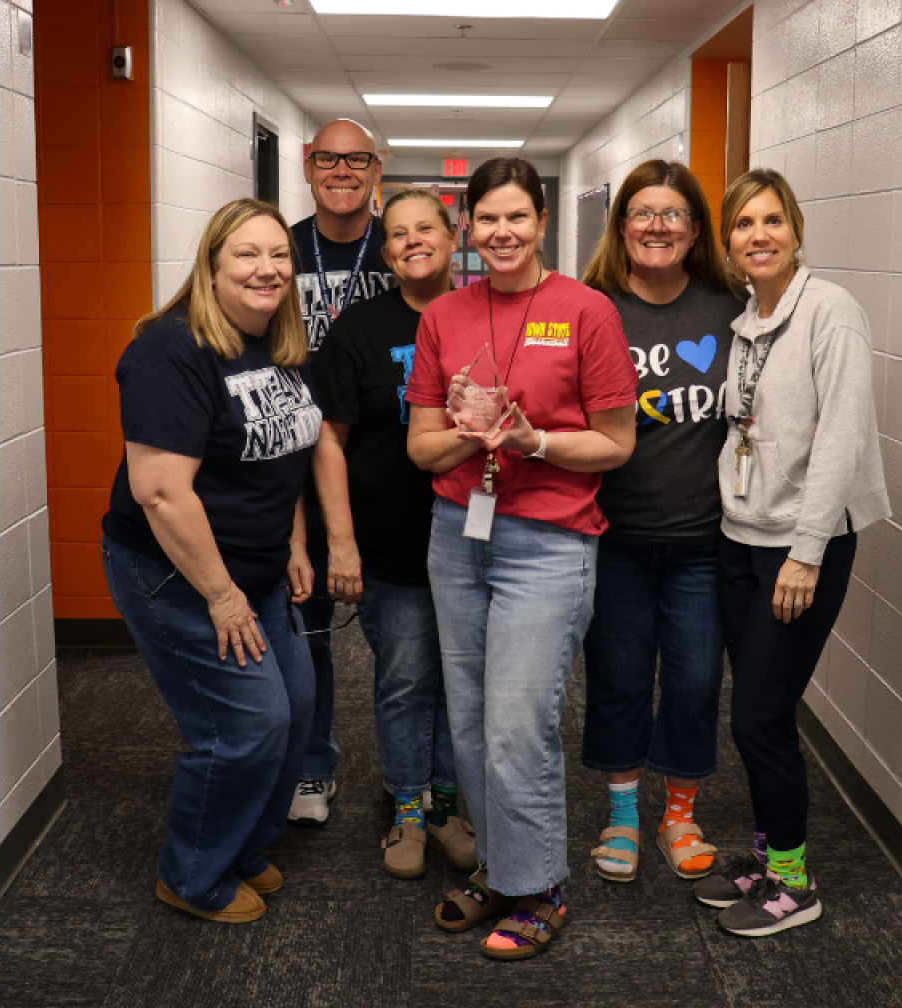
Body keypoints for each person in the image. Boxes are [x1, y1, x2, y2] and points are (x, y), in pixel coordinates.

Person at [405, 157, 638, 959]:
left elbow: (616, 443)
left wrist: (532, 439)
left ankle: (540, 889)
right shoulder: (444, 317)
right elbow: (421, 447)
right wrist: (467, 434)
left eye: (517, 218)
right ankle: (501, 867)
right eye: (487, 219)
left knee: (516, 726)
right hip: (457, 536)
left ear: (541, 223)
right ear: (467, 227)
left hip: (549, 541)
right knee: (468, 720)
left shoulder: (587, 311)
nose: (501, 233)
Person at [96, 197, 320, 924]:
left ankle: (242, 846)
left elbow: (284, 449)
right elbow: (160, 493)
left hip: (256, 570)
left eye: (279, 255)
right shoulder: (172, 351)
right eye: (247, 255)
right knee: (244, 727)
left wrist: (291, 545)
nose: (267, 269)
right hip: (180, 575)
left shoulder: (277, 342)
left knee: (299, 711)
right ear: (212, 267)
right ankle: (191, 874)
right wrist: (222, 596)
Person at [695, 169, 887, 937]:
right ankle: (772, 854)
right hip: (742, 540)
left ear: (796, 230)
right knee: (757, 712)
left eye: (772, 220)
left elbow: (841, 439)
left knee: (760, 717)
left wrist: (806, 553)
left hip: (801, 547)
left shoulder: (829, 312)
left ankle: (794, 883)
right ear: (730, 244)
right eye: (744, 225)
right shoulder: (749, 320)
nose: (759, 235)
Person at [576, 161, 745, 886]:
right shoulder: (592, 308)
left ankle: (679, 812)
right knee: (615, 678)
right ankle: (621, 815)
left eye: (672, 214)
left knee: (695, 679)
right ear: (621, 228)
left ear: (696, 229)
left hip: (703, 541)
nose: (656, 226)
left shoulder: (731, 309)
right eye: (643, 213)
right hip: (611, 535)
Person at [312, 188, 472, 879]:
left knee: (463, 681)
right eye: (398, 233)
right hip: (391, 538)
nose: (413, 241)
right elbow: (328, 440)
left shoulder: (484, 315)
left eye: (425, 228)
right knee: (407, 678)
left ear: (451, 237)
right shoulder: (357, 329)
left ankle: (445, 804)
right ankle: (407, 807)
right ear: (387, 251)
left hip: (476, 539)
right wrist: (340, 543)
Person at [285, 117, 398, 826]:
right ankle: (311, 767)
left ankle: (408, 777)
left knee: (400, 631)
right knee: (308, 623)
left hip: (386, 462)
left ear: (375, 170)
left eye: (357, 160)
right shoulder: (282, 247)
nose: (342, 170)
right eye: (329, 158)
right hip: (296, 460)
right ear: (306, 163)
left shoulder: (402, 245)